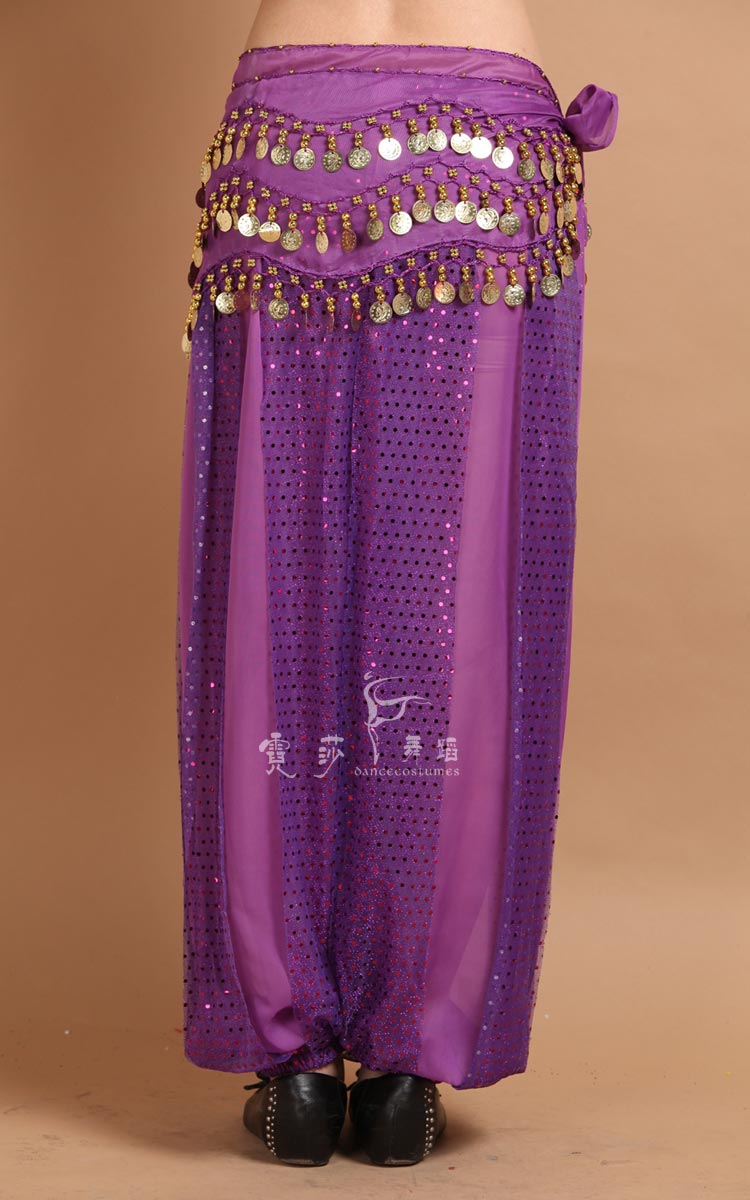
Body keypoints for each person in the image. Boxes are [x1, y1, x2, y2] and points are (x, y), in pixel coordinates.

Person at [175, 0, 618, 1167]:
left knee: (271, 583)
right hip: (484, 150)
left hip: (290, 139)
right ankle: (405, 1072)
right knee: (458, 594)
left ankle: (295, 1068)